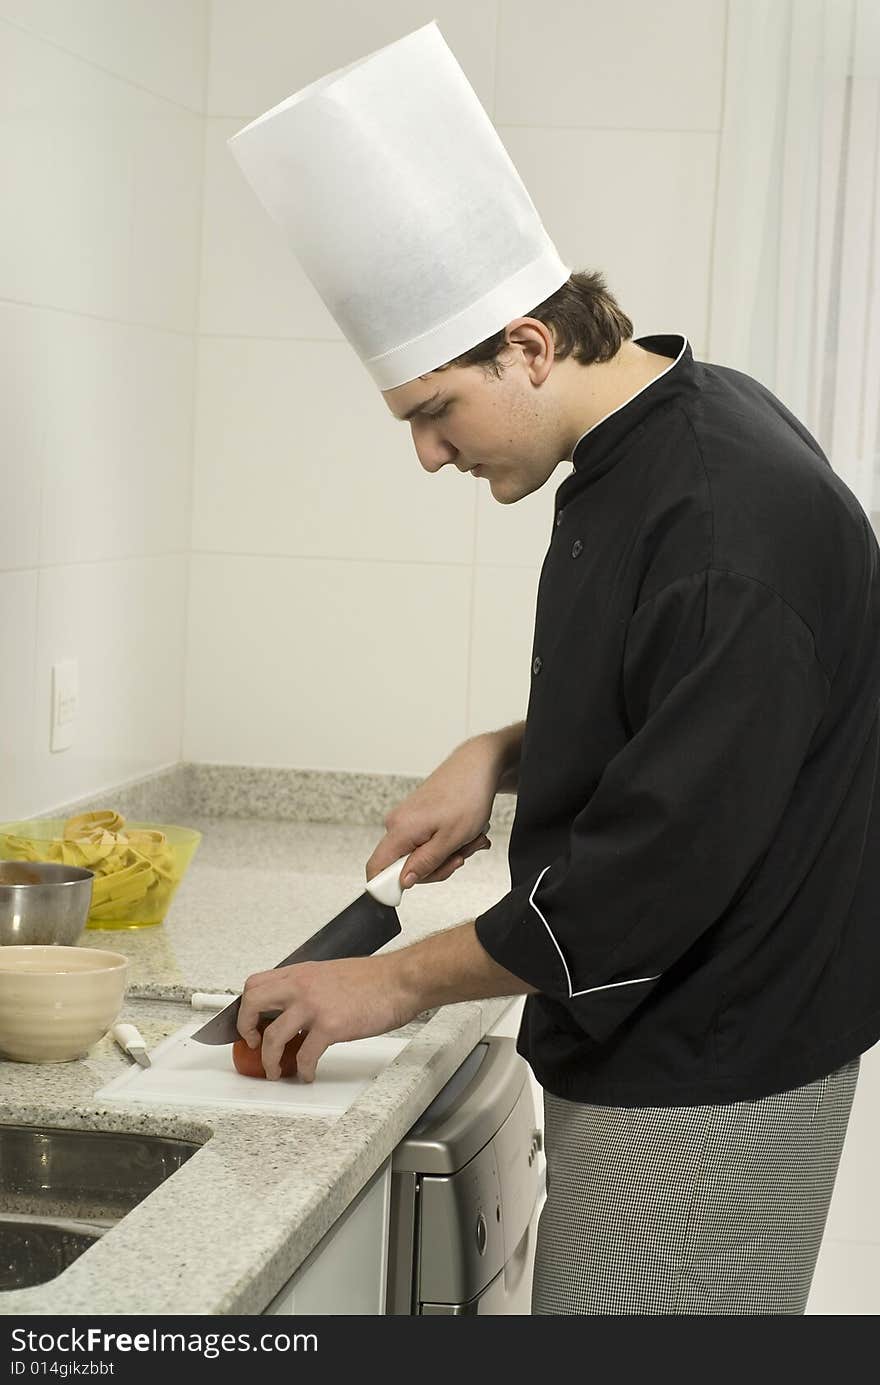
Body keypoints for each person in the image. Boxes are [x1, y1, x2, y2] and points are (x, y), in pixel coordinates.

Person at [230, 25, 880, 1314]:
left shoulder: (718, 516)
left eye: (434, 411)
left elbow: (641, 886)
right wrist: (502, 752)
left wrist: (383, 983)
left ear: (528, 349)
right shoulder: (663, 435)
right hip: (683, 1026)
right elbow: (687, 698)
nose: (426, 454)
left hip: (709, 1055)